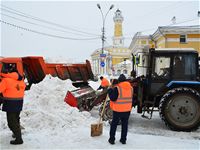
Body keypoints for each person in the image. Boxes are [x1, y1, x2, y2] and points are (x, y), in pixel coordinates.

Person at [0, 64, 26, 145]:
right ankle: (16, 134)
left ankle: (19, 139)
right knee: (16, 119)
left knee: (11, 122)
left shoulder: (6, 80)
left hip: (10, 103)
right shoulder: (20, 80)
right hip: (19, 102)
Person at [107, 74, 133, 145]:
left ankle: (112, 139)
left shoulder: (117, 88)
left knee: (114, 124)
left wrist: (109, 91)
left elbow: (113, 98)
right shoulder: (131, 88)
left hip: (118, 110)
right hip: (127, 110)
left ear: (119, 81)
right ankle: (123, 140)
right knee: (125, 125)